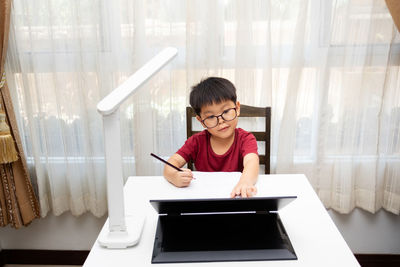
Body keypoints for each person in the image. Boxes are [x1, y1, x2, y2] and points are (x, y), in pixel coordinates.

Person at [163, 77, 259, 198]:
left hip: (235, 196)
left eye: (226, 111)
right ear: (201, 121)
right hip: (203, 198)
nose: (220, 121)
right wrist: (174, 176)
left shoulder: (246, 139)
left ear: (237, 108)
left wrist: (245, 182)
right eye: (210, 117)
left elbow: (252, 162)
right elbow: (171, 164)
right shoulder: (196, 141)